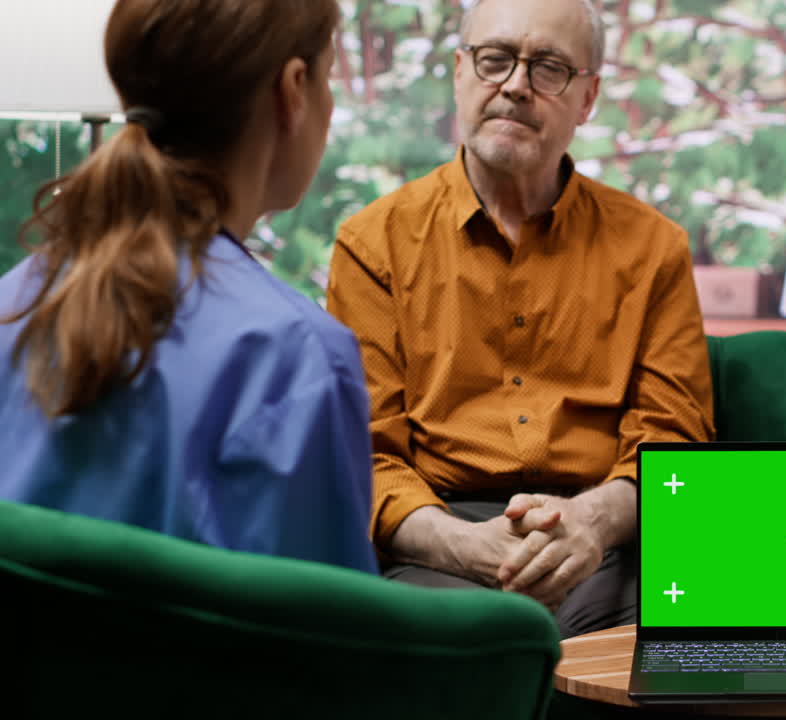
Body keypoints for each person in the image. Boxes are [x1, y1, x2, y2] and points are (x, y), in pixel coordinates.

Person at [326, 0, 714, 638]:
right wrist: (467, 547)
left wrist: (590, 523)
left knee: (709, 632)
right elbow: (364, 456)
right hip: (439, 536)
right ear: (459, 73)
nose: (514, 84)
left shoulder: (654, 248)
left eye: (550, 68)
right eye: (495, 59)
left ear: (588, 99)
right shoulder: (374, 244)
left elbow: (673, 444)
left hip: (609, 538)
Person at [0, 0, 377, 574]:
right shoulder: (294, 360)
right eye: (329, 78)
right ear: (294, 90)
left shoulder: (14, 307)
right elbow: (324, 652)